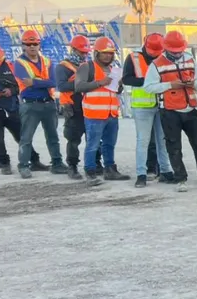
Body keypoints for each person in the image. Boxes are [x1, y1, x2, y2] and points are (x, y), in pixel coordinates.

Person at [144, 30, 197, 192]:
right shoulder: (157, 64)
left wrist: (193, 83)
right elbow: (148, 87)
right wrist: (170, 85)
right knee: (174, 146)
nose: (177, 54)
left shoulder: (190, 59)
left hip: (190, 108)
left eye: (179, 51)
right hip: (169, 111)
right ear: (166, 48)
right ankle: (180, 178)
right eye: (174, 51)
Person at [12, 29, 69, 178]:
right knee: (26, 138)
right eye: (29, 44)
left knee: (53, 136)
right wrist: (43, 83)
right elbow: (29, 83)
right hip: (30, 105)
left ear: (39, 45)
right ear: (23, 45)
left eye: (35, 43)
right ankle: (23, 165)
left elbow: (53, 82)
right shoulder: (19, 63)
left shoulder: (47, 62)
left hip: (48, 104)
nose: (32, 46)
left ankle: (57, 163)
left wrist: (35, 82)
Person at [123, 32, 176, 187]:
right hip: (142, 107)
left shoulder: (165, 57)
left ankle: (165, 171)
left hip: (161, 104)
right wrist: (148, 82)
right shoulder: (133, 58)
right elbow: (126, 79)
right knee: (143, 141)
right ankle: (141, 174)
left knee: (162, 140)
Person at [74, 37, 129, 184]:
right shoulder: (87, 67)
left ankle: (110, 169)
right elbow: (78, 86)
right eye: (105, 53)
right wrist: (100, 82)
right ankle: (90, 171)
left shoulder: (112, 70)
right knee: (93, 144)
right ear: (96, 53)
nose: (108, 56)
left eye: (111, 53)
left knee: (109, 143)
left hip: (111, 114)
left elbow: (114, 92)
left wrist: (120, 85)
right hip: (94, 114)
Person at [54, 35, 96, 180]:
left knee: (94, 138)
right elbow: (62, 86)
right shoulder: (63, 67)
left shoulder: (89, 65)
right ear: (73, 49)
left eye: (85, 52)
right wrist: (82, 84)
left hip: (90, 105)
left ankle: (96, 165)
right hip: (73, 106)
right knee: (73, 139)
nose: (84, 55)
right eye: (81, 52)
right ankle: (72, 167)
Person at [0, 40, 27, 175]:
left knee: (22, 136)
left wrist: (10, 91)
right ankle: (4, 163)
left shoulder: (11, 67)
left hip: (12, 108)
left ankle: (32, 159)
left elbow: (21, 85)